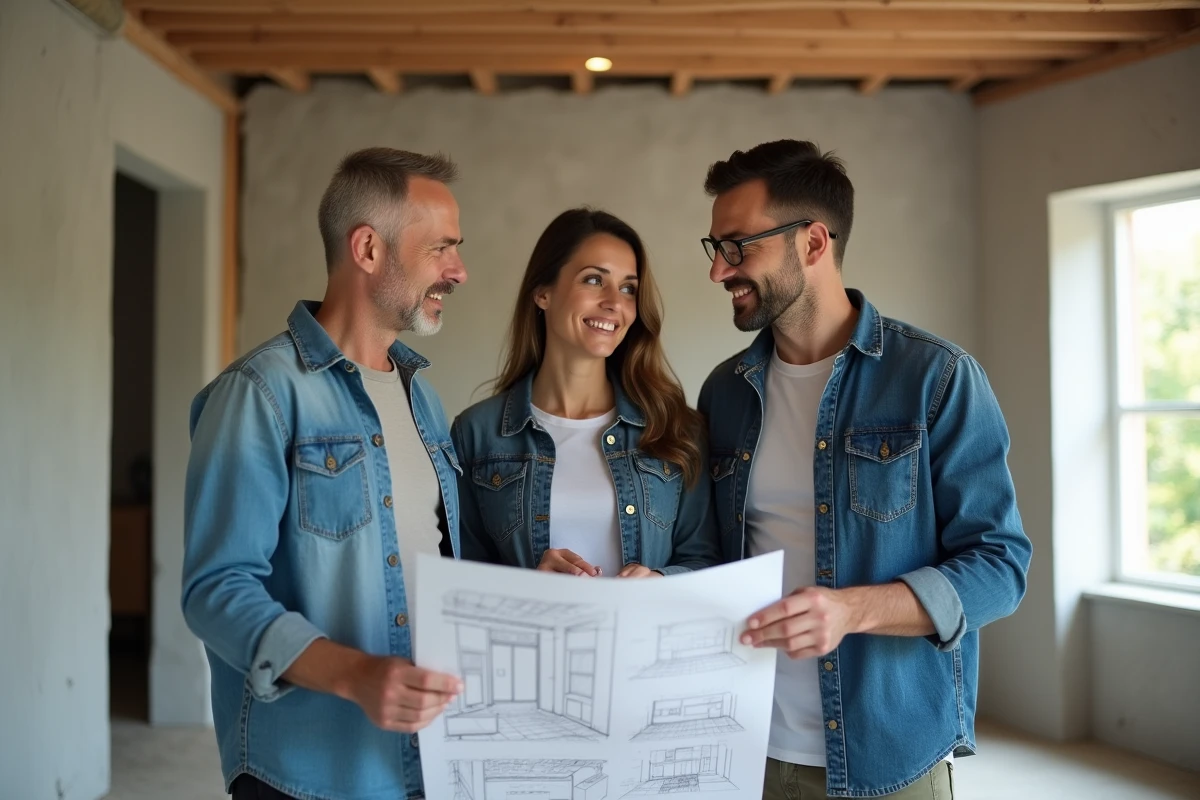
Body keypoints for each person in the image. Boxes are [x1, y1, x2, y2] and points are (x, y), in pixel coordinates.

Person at [696, 140, 1032, 799]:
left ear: (813, 242)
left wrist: (853, 610)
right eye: (715, 248)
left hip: (891, 758)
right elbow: (708, 555)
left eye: (738, 247)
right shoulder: (724, 393)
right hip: (744, 748)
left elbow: (1000, 567)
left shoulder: (936, 379)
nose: (719, 271)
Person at [182, 147, 469, 800]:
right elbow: (216, 590)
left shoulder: (423, 397)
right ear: (368, 248)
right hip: (307, 774)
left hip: (428, 762)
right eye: (441, 249)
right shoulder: (257, 393)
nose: (459, 271)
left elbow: (433, 561)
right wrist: (357, 675)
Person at [452, 207, 720, 579]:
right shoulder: (476, 434)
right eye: (594, 280)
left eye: (628, 288)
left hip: (639, 636)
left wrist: (659, 582)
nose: (615, 302)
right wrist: (531, 584)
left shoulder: (675, 428)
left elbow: (706, 563)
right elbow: (461, 578)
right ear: (543, 293)